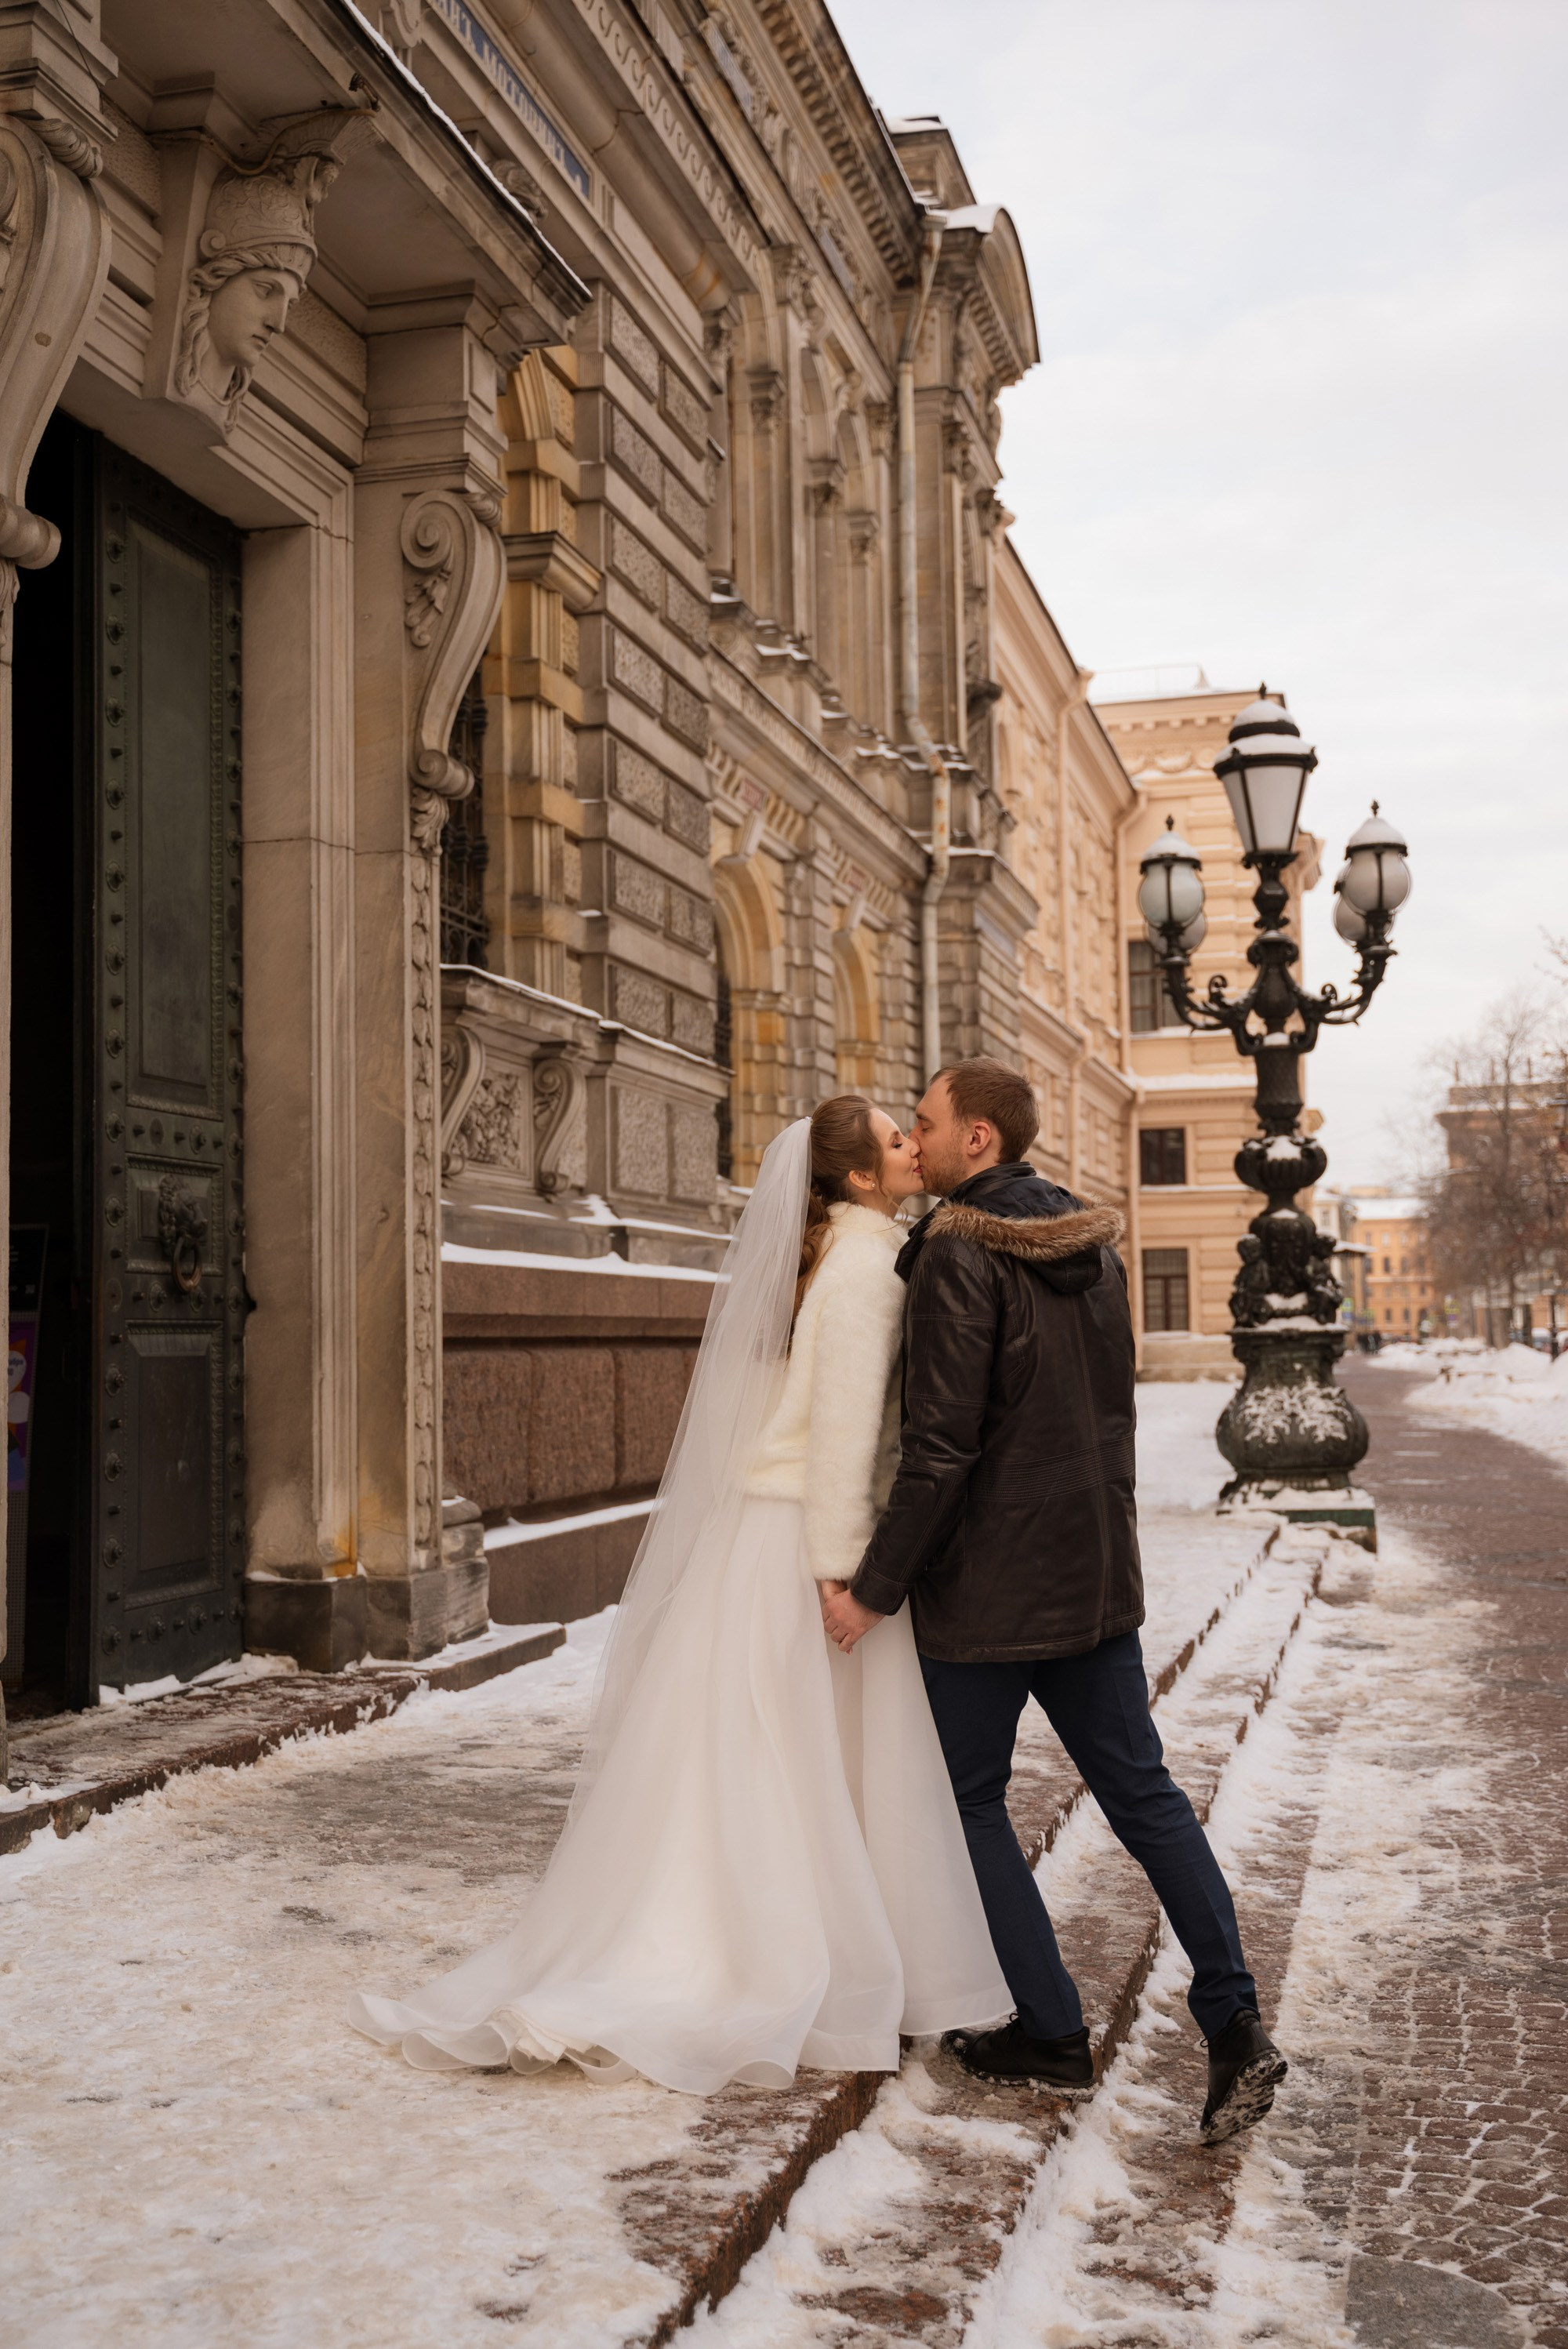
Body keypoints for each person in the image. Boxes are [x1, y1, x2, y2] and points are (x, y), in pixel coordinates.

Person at [347, 1097, 1009, 2094]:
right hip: (807, 1538)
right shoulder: (872, 1266)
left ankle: (711, 1932)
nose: (914, 1144)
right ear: (862, 1177)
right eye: (894, 1137)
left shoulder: (833, 1252)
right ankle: (780, 1956)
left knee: (743, 1758)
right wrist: (847, 1577)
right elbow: (841, 1434)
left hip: (759, 1531)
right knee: (804, 1762)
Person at [822, 1056, 1287, 2146]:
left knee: (972, 1803)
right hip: (1092, 1582)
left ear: (977, 1140)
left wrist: (874, 1590)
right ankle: (1234, 2023)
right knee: (1147, 1797)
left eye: (928, 1123)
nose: (920, 1140)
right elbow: (1108, 1418)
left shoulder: (953, 1254)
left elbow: (940, 1450)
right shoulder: (1094, 1243)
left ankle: (1053, 2032)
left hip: (985, 1598)